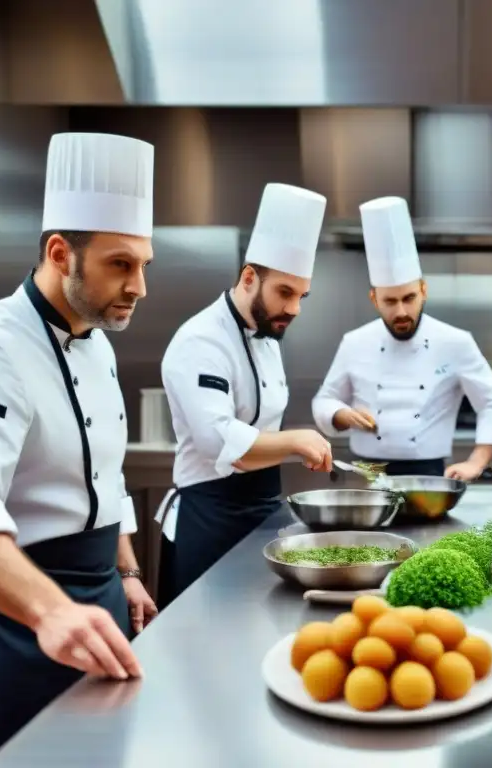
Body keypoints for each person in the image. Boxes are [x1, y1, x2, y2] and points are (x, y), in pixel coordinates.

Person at [0, 132, 156, 759]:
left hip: (99, 603)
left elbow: (103, 477)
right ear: (61, 253)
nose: (139, 286)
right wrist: (50, 611)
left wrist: (126, 570)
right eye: (120, 264)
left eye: (144, 265)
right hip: (21, 616)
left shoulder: (99, 341)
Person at [156, 183, 333, 608]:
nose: (295, 309)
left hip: (261, 511)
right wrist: (294, 441)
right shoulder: (200, 340)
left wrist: (291, 446)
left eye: (301, 296)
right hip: (209, 517)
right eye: (285, 293)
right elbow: (218, 442)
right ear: (249, 278)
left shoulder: (269, 337)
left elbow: (256, 430)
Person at [312, 196, 492, 480]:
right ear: (374, 299)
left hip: (429, 472)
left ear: (424, 290)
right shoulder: (355, 342)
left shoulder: (455, 342)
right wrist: (340, 415)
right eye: (390, 301)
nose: (401, 311)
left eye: (409, 298)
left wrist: (476, 462)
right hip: (367, 472)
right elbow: (325, 399)